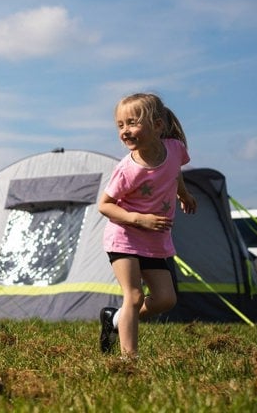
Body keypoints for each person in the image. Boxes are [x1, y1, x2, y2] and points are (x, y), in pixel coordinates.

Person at [98, 93, 196, 358]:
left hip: (155, 241)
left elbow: (174, 171)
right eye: (120, 125)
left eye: (132, 123)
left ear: (156, 126)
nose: (125, 131)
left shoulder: (175, 149)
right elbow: (104, 205)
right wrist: (138, 219)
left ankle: (115, 320)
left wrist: (183, 194)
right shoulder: (127, 169)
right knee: (134, 296)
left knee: (166, 299)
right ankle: (129, 358)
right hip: (125, 236)